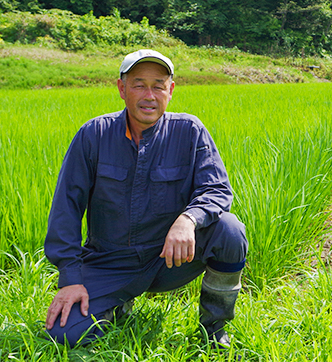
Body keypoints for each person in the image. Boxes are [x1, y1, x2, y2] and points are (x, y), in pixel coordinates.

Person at [44, 49, 248, 349]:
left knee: (229, 230)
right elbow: (66, 209)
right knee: (65, 335)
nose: (149, 95)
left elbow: (216, 190)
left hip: (170, 259)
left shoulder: (190, 131)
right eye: (139, 84)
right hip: (109, 262)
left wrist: (187, 220)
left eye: (158, 85)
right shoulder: (93, 135)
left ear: (171, 90)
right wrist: (71, 278)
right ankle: (116, 306)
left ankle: (214, 329)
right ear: (121, 88)